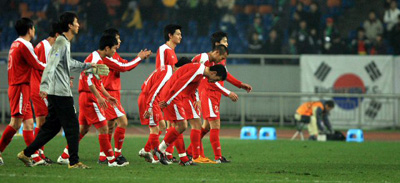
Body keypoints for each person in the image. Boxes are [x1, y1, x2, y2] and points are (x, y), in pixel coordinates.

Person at [17, 12, 104, 169]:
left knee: (51, 128)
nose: (78, 24)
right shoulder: (61, 43)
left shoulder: (64, 42)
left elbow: (68, 63)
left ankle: (27, 153)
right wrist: (44, 86)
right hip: (60, 93)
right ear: (70, 25)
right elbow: (51, 64)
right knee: (72, 126)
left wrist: (88, 66)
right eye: (76, 22)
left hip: (58, 92)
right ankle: (74, 161)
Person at [57, 35, 129, 167]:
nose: (114, 51)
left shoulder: (96, 58)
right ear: (107, 48)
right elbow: (90, 81)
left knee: (83, 129)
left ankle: (65, 155)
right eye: (113, 48)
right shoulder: (96, 59)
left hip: (86, 96)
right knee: (103, 129)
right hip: (89, 97)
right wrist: (100, 97)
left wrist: (107, 96)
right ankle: (111, 161)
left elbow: (98, 82)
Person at [188, 31, 252, 164]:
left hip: (215, 94)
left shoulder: (220, 59)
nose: (227, 43)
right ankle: (218, 157)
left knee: (206, 126)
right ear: (217, 44)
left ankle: (190, 151)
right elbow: (208, 80)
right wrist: (227, 92)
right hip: (209, 93)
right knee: (215, 124)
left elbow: (226, 75)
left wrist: (240, 85)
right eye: (225, 41)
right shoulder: (207, 59)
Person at [95, 28, 151, 165]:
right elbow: (124, 68)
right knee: (123, 122)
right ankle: (117, 154)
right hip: (108, 93)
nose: (120, 41)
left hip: (112, 93)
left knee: (110, 125)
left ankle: (104, 155)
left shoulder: (114, 55)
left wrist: (137, 58)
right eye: (118, 38)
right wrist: (139, 58)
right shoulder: (108, 57)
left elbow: (125, 65)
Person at [154, 63, 227, 166]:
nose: (213, 81)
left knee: (179, 126)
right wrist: (168, 99)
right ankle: (161, 150)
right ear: (213, 73)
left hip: (174, 95)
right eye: (216, 79)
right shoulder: (197, 71)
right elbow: (179, 83)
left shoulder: (199, 71)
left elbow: (188, 86)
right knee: (181, 126)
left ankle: (182, 158)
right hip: (172, 96)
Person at [0, 17, 47, 166]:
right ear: (29, 29)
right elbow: (37, 64)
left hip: (21, 86)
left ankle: (33, 156)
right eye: (33, 28)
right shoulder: (25, 45)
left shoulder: (15, 44)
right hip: (19, 87)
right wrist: (54, 68)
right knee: (15, 123)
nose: (34, 31)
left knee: (28, 123)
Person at [137, 57, 191, 164]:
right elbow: (154, 90)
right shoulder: (168, 73)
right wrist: (149, 107)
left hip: (152, 99)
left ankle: (146, 151)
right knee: (154, 129)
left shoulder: (168, 69)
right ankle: (157, 158)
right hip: (150, 98)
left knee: (162, 126)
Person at [186, 45, 229, 164]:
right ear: (216, 51)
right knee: (183, 124)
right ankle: (165, 152)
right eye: (221, 57)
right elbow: (193, 76)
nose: (221, 61)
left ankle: (190, 153)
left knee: (199, 125)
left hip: (197, 94)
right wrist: (197, 96)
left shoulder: (207, 61)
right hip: (203, 95)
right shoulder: (204, 60)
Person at [29, 22, 63, 164]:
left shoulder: (48, 46)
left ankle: (39, 153)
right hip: (39, 88)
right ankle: (35, 153)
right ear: (56, 35)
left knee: (42, 122)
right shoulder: (44, 46)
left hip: (41, 87)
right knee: (43, 122)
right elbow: (45, 68)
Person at [152, 24, 182, 162]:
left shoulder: (172, 51)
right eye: (177, 34)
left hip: (171, 90)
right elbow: (161, 71)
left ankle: (167, 154)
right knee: (172, 124)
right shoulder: (163, 49)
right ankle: (154, 152)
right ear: (170, 35)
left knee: (172, 124)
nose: (180, 36)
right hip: (165, 90)